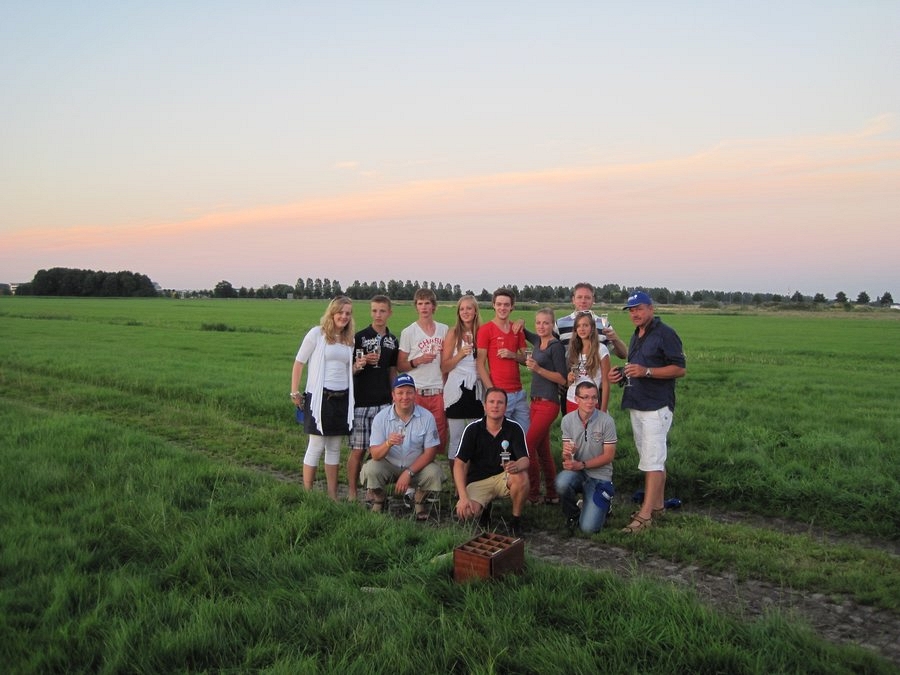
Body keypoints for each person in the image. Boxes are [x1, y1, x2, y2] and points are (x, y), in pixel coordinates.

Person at [609, 291, 686, 534]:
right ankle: (658, 506)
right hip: (637, 403)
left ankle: (644, 516)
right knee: (652, 458)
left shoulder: (665, 333)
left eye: (639, 308)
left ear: (651, 308)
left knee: (652, 460)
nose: (635, 313)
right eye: (631, 310)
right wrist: (621, 374)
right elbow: (637, 368)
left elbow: (679, 369)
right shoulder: (637, 334)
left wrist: (647, 372)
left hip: (656, 406)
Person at [290, 296, 355, 501]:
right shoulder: (317, 334)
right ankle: (307, 494)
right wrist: (294, 392)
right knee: (316, 445)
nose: (344, 316)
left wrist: (357, 367)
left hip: (342, 398)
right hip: (320, 398)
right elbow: (299, 362)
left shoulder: (348, 339)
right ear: (332, 313)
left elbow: (345, 370)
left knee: (334, 447)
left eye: (348, 313)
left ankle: (332, 495)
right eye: (340, 312)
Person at [360, 374, 443, 519]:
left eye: (409, 392)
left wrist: (408, 473)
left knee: (434, 472)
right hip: (389, 464)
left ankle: (419, 500)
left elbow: (430, 453)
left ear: (415, 394)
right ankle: (379, 498)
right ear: (393, 395)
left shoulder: (427, 417)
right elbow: (375, 454)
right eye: (400, 393)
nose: (405, 397)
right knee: (370, 469)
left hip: (415, 466)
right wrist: (388, 443)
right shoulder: (381, 417)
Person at [453, 388, 530, 536]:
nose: (495, 406)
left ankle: (515, 520)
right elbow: (459, 464)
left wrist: (516, 465)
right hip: (478, 480)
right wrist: (463, 497)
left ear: (505, 407)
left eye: (500, 402)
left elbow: (525, 460)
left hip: (504, 477)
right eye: (491, 402)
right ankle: (485, 509)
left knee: (522, 478)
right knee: (465, 513)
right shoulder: (472, 429)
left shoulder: (514, 428)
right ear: (484, 406)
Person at [348, 295, 399, 502]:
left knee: (379, 450)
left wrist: (395, 395)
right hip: (361, 402)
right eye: (374, 311)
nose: (378, 315)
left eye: (382, 311)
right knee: (358, 450)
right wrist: (360, 364)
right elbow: (349, 370)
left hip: (384, 403)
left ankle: (373, 490)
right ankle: (352, 492)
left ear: (390, 313)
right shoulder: (359, 337)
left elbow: (392, 370)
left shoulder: (392, 340)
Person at [555, 381, 617, 534]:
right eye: (586, 397)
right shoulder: (567, 420)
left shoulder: (607, 421)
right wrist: (568, 455)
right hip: (578, 472)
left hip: (600, 476)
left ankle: (604, 504)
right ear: (577, 399)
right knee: (561, 482)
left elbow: (609, 456)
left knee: (589, 528)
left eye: (594, 398)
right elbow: (566, 456)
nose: (590, 402)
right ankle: (572, 515)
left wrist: (581, 464)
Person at [523, 308, 568, 504]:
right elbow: (524, 332)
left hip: (549, 403)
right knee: (543, 451)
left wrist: (538, 369)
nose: (541, 326)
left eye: (546, 323)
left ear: (552, 325)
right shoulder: (537, 341)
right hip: (534, 402)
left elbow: (562, 378)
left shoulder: (555, 346)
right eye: (538, 322)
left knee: (528, 446)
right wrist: (520, 324)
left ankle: (533, 493)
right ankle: (552, 493)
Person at [398, 288, 449, 454]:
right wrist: (418, 360)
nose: (424, 307)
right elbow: (400, 365)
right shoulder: (408, 332)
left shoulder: (444, 330)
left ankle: (433, 465)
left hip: (438, 391)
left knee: (439, 434)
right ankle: (415, 465)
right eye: (420, 304)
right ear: (416, 307)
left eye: (427, 303)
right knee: (415, 435)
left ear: (433, 306)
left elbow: (447, 363)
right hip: (417, 391)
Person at [476, 288, 529, 433]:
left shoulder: (516, 329)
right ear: (493, 305)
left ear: (512, 307)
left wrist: (513, 355)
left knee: (525, 435)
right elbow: (480, 364)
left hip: (519, 393)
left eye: (506, 305)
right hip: (499, 393)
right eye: (499, 304)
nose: (502, 308)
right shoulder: (486, 330)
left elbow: (528, 359)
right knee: (498, 436)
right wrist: (491, 391)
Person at [441, 295, 484, 462]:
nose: (465, 312)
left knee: (477, 436)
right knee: (457, 438)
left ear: (475, 311)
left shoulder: (482, 332)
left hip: (477, 390)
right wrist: (460, 354)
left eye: (469, 308)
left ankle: (474, 474)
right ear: (458, 312)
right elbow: (444, 367)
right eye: (462, 309)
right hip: (457, 390)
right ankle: (457, 477)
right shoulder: (453, 333)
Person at [555, 282, 628, 358]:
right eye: (579, 297)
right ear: (573, 300)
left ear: (593, 300)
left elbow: (623, 355)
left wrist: (615, 339)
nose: (583, 301)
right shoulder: (559, 324)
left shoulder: (604, 324)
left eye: (587, 297)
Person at [564, 312, 611, 414]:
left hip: (590, 402)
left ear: (592, 328)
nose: (582, 329)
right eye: (578, 326)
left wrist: (603, 411)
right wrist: (569, 378)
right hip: (572, 399)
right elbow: (570, 383)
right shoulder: (574, 350)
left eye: (585, 325)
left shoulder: (601, 349)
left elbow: (606, 383)